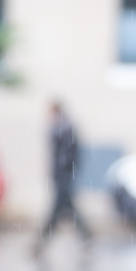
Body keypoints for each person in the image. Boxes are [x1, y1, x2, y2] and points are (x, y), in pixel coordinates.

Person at [34, 99, 92, 253]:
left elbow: (66, 154)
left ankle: (41, 241)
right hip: (62, 174)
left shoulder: (63, 127)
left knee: (58, 208)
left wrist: (61, 170)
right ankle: (85, 235)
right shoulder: (62, 126)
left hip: (62, 175)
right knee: (67, 208)